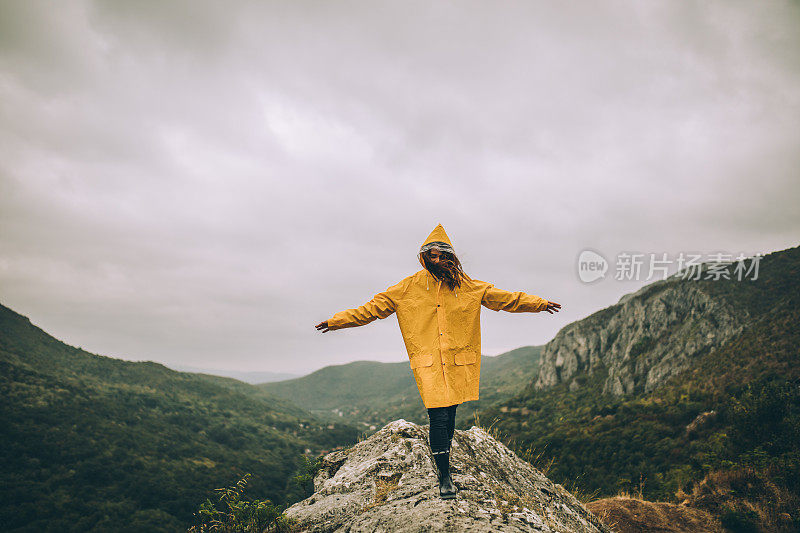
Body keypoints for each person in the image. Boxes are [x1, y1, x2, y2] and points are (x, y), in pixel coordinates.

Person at [315, 224, 561, 500]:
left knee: (450, 415)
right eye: (430, 256)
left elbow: (506, 299)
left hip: (458, 362)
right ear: (423, 258)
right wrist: (336, 321)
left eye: (440, 255)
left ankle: (444, 462)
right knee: (438, 415)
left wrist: (538, 303)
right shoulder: (407, 287)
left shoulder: (468, 286)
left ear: (450, 257)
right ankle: (444, 477)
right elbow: (371, 309)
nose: (435, 260)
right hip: (429, 362)